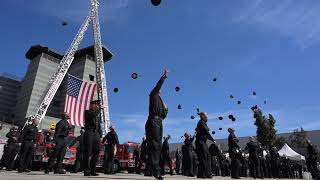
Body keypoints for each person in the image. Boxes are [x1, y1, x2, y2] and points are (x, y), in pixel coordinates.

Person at [145, 69, 169, 180]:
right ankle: (156, 171)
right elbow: (158, 85)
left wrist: (166, 109)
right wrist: (164, 77)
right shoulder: (153, 95)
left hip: (159, 122)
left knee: (156, 146)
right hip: (153, 122)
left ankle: (149, 170)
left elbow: (163, 115)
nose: (160, 91)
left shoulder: (160, 100)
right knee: (155, 146)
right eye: (158, 90)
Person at [83, 100, 103, 176]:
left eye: (97, 105)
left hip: (96, 134)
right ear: (91, 105)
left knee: (97, 152)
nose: (97, 106)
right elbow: (93, 115)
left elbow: (99, 127)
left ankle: (92, 170)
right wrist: (100, 109)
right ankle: (86, 170)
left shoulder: (97, 116)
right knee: (87, 152)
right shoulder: (87, 112)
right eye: (95, 104)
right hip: (89, 133)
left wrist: (100, 136)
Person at [195, 112, 214, 178]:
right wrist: (212, 139)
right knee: (205, 157)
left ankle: (201, 174)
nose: (207, 117)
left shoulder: (202, 122)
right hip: (201, 142)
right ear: (203, 116)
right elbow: (206, 132)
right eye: (206, 115)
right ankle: (207, 174)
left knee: (204, 157)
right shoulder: (201, 122)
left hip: (201, 142)